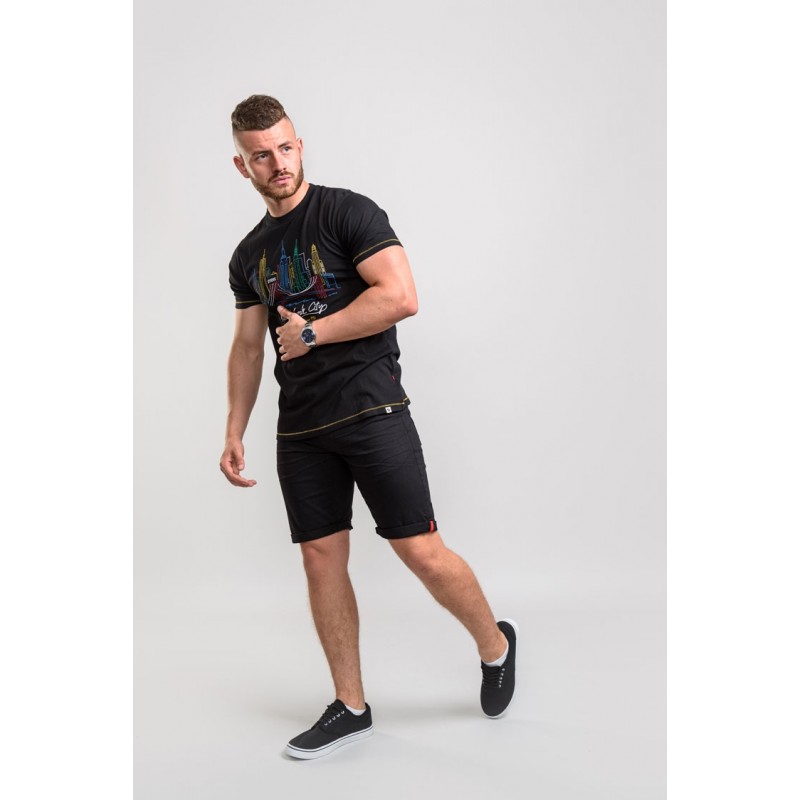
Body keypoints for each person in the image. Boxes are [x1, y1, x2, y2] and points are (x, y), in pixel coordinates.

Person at [219, 94, 518, 760]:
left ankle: (496, 645)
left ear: (300, 146)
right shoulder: (247, 255)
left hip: (372, 409)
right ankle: (350, 705)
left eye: (286, 148)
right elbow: (246, 347)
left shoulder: (348, 212)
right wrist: (234, 427)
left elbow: (400, 297)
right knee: (320, 559)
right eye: (261, 156)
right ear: (242, 166)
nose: (278, 163)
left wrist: (314, 332)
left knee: (421, 552)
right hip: (301, 429)